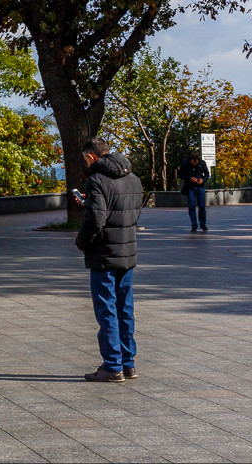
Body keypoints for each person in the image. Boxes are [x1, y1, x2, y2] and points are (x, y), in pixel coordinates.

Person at [75, 138, 141, 382]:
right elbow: (129, 212)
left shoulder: (97, 180)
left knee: (107, 311)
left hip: (104, 254)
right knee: (125, 309)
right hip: (127, 252)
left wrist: (81, 241)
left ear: (91, 157)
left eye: (86, 159)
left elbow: (96, 221)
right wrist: (90, 200)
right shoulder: (133, 179)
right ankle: (128, 363)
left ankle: (112, 366)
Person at [177, 150, 210, 232]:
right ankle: (194, 225)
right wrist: (190, 178)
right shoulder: (185, 163)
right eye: (193, 163)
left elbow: (206, 174)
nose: (194, 164)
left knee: (202, 206)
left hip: (200, 186)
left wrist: (202, 180)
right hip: (190, 187)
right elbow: (180, 174)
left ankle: (203, 224)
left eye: (196, 163)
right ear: (190, 160)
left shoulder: (202, 163)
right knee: (191, 206)